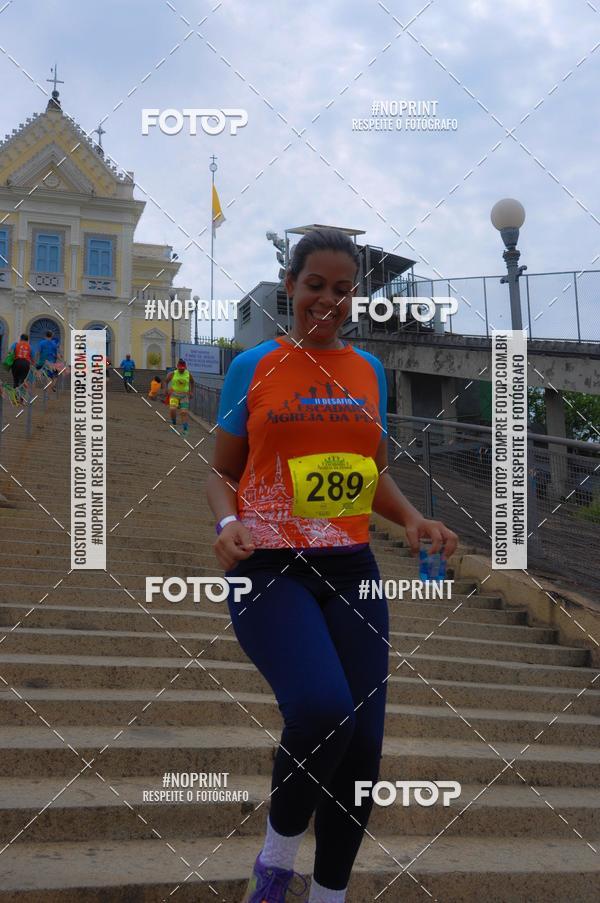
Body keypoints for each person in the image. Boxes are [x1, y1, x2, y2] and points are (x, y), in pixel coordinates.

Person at [207, 227, 459, 903]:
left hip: (350, 569)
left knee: (364, 745)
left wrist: (413, 520)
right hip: (269, 568)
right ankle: (274, 863)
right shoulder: (253, 366)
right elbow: (221, 472)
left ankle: (329, 894)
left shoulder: (368, 371)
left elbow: (369, 471)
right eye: (314, 284)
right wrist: (228, 525)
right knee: (323, 709)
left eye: (343, 289)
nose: (328, 300)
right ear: (290, 285)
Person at [165, 359, 194, 434]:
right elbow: (166, 381)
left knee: (184, 412)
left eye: (183, 369)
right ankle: (174, 424)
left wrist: (191, 392)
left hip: (184, 395)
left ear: (185, 367)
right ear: (177, 367)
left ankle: (185, 429)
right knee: (172, 409)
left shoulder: (188, 374)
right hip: (174, 395)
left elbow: (192, 382)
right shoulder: (173, 373)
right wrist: (166, 389)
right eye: (180, 368)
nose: (181, 370)